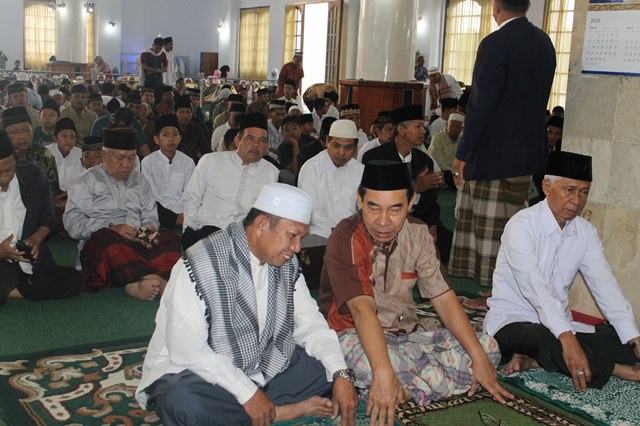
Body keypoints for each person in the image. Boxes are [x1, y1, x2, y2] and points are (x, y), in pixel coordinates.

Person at [136, 183, 358, 425]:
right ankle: (282, 410)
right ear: (262, 225)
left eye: (301, 238)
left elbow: (310, 324)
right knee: (182, 400)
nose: (296, 249)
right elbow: (187, 350)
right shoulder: (201, 263)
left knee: (329, 366)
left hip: (262, 365)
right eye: (292, 236)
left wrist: (340, 373)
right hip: (196, 372)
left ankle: (256, 410)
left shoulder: (286, 264)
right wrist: (246, 392)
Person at [319, 161, 512, 422]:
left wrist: (478, 356)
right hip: (355, 336)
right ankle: (400, 381)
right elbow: (362, 310)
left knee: (488, 347)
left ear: (411, 203)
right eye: (374, 208)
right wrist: (384, 371)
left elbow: (443, 298)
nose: (383, 221)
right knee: (366, 366)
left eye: (395, 209)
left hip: (409, 336)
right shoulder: (345, 237)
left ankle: (403, 390)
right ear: (360, 200)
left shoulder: (419, 233)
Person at [485, 151, 640, 390]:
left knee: (615, 340)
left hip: (560, 321)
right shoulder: (521, 226)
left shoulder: (585, 233)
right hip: (512, 321)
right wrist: (566, 338)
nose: (577, 201)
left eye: (584, 192)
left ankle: (535, 361)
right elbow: (536, 290)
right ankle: (622, 371)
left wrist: (633, 337)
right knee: (548, 339)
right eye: (569, 190)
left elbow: (604, 285)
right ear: (547, 186)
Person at [449, 0, 556, 288]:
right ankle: (513, 294)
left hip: (493, 155)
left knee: (491, 233)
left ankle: (492, 298)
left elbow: (481, 105)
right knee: (518, 228)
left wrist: (464, 153)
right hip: (528, 155)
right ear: (529, 5)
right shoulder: (544, 41)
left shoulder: (496, 43)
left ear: (495, 6)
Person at [63, 128, 182, 301]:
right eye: (120, 158)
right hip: (101, 246)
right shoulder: (87, 181)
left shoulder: (140, 181)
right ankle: (154, 278)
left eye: (131, 158)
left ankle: (132, 282)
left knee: (171, 237)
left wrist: (146, 234)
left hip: (136, 242)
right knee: (106, 238)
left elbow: (150, 217)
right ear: (105, 156)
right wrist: (111, 228)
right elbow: (72, 224)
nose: (126, 164)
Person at [0, 129, 83, 306]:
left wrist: (37, 238)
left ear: (15, 159)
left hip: (31, 256)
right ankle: (20, 287)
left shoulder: (32, 175)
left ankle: (14, 289)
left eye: (8, 170)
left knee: (75, 281)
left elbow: (48, 218)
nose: (4, 178)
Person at [363, 105, 451, 263]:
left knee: (447, 244)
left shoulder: (424, 160)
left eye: (423, 127)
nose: (423, 131)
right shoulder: (375, 157)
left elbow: (431, 199)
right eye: (418, 126)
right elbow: (378, 199)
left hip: (419, 219)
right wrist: (414, 188)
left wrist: (432, 225)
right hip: (386, 220)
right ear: (402, 130)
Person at [181, 113, 279, 250]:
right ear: (237, 140)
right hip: (205, 233)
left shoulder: (271, 172)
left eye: (262, 140)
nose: (256, 145)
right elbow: (191, 197)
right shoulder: (211, 161)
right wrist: (191, 228)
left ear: (267, 146)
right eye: (250, 138)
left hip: (244, 241)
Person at [298, 120, 363, 238]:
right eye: (336, 146)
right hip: (319, 234)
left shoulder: (361, 171)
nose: (341, 153)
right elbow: (310, 212)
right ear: (327, 142)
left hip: (351, 234)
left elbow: (363, 210)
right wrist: (337, 232)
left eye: (348, 147)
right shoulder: (311, 168)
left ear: (355, 148)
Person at [141, 115, 195, 229]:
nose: (171, 139)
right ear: (156, 139)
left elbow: (189, 193)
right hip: (156, 213)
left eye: (175, 134)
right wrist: (170, 215)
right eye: (165, 135)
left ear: (180, 138)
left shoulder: (188, 162)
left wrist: (180, 214)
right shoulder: (147, 162)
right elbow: (152, 195)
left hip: (183, 213)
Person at [3, 107, 61, 197]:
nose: (22, 136)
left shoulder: (44, 154)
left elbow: (53, 191)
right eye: (14, 132)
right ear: (5, 135)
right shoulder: (2, 160)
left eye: (27, 130)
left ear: (33, 130)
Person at [428, 113, 464, 189]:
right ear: (447, 125)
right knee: (445, 175)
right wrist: (456, 173)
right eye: (452, 126)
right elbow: (439, 164)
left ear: (461, 129)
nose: (454, 129)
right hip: (443, 171)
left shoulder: (463, 140)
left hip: (456, 172)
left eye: (457, 127)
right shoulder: (438, 138)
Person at [174, 95, 211, 164]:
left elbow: (206, 149)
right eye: (182, 112)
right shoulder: (171, 129)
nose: (185, 115)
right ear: (175, 113)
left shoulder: (197, 128)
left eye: (188, 112)